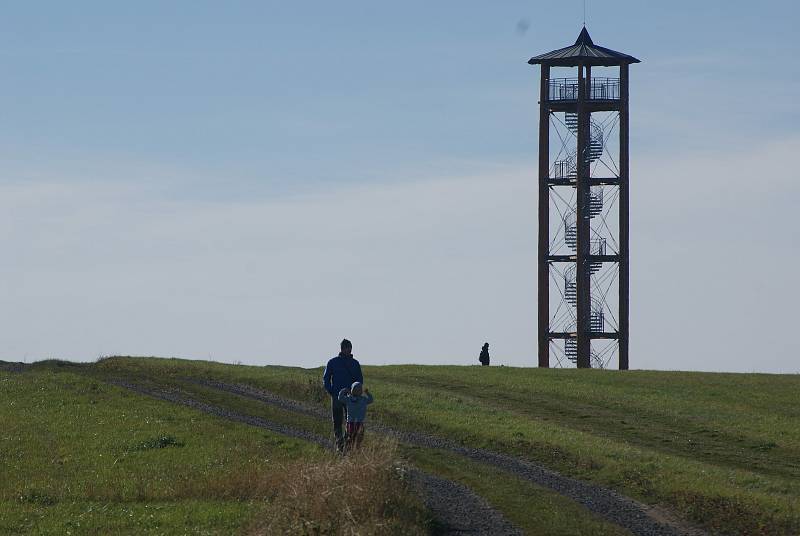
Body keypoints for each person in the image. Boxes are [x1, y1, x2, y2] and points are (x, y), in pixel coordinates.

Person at [323, 339, 363, 451]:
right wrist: (331, 391)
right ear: (342, 349)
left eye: (350, 348)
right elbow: (326, 379)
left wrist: (356, 394)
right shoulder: (332, 362)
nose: (349, 350)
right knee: (337, 421)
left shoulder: (355, 363)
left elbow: (359, 380)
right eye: (348, 348)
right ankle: (339, 444)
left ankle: (347, 443)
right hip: (337, 396)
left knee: (350, 421)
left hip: (351, 398)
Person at [337, 381, 373, 451]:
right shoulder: (349, 399)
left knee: (358, 438)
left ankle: (354, 450)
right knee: (350, 438)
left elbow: (371, 400)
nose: (357, 391)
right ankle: (349, 450)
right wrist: (344, 390)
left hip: (357, 422)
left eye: (359, 389)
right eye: (355, 389)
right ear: (352, 390)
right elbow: (340, 398)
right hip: (351, 423)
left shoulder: (362, 399)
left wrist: (343, 391)